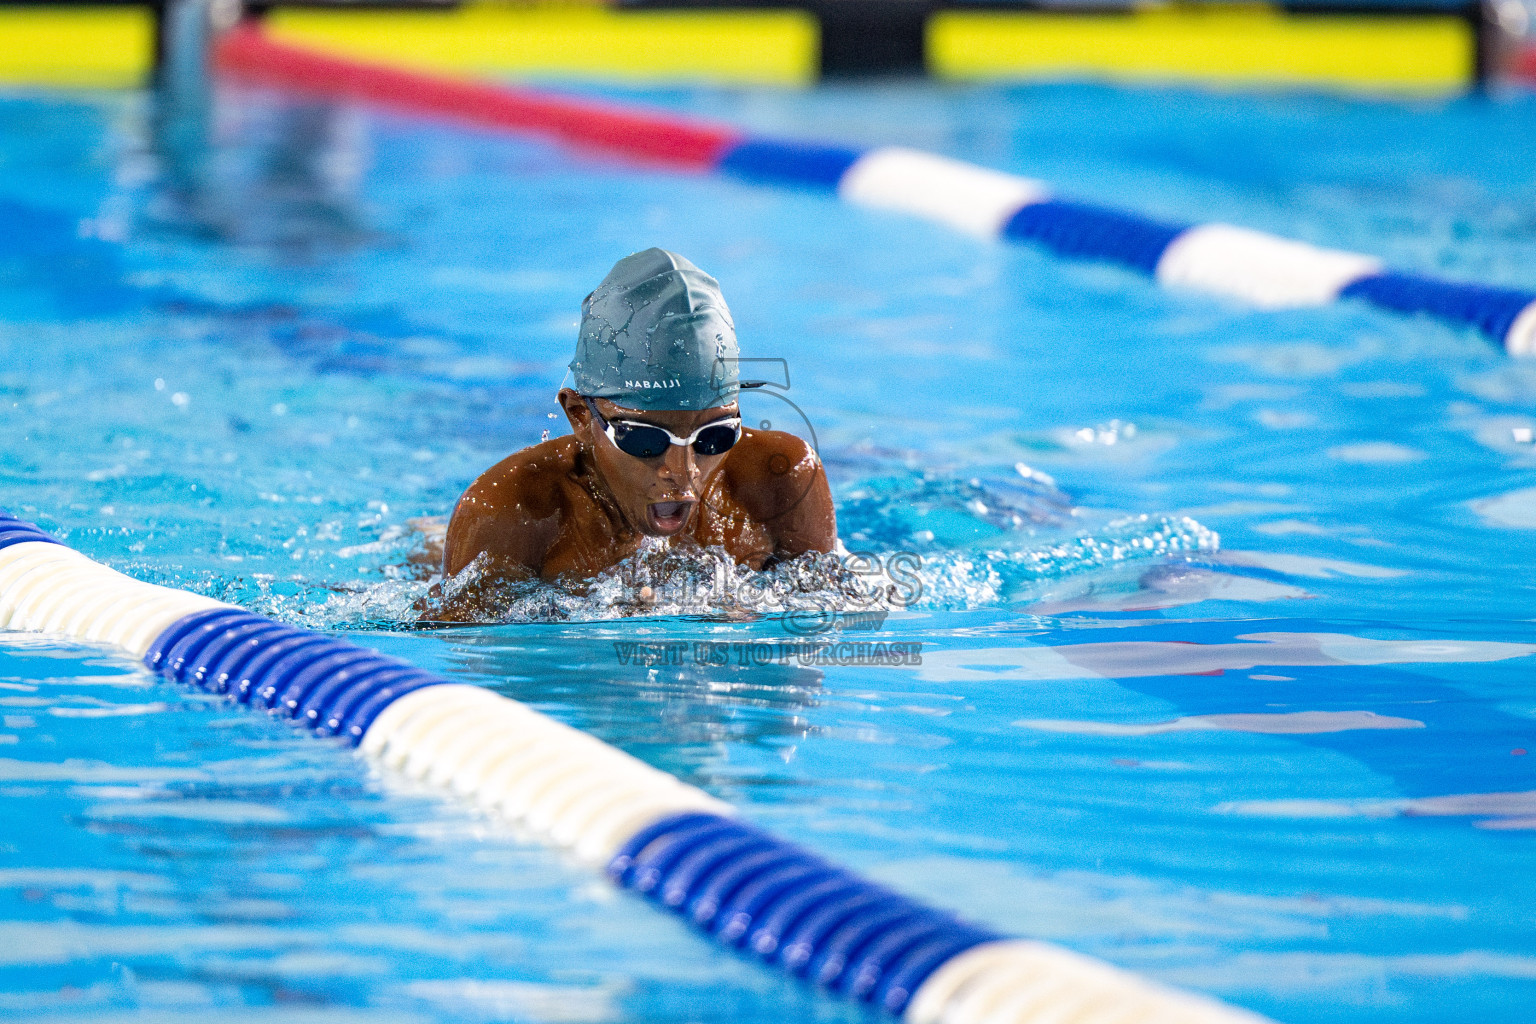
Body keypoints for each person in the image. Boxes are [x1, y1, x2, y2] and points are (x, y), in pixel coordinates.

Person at [427, 248, 836, 622]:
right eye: (645, 439)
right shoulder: (512, 512)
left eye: (714, 436)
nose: (683, 470)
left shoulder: (782, 480)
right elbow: (466, 666)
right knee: (427, 555)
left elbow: (829, 626)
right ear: (579, 416)